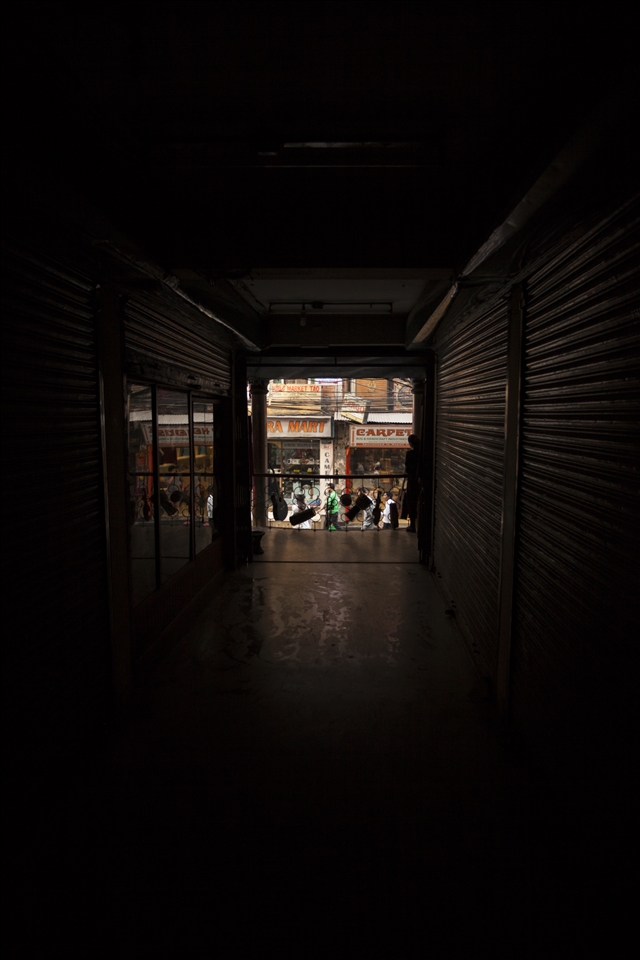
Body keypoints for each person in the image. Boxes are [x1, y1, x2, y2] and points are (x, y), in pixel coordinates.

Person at [404, 433, 421, 532]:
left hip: (412, 482)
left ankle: (413, 525)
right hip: (422, 481)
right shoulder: (423, 453)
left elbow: (407, 469)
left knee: (412, 503)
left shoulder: (410, 454)